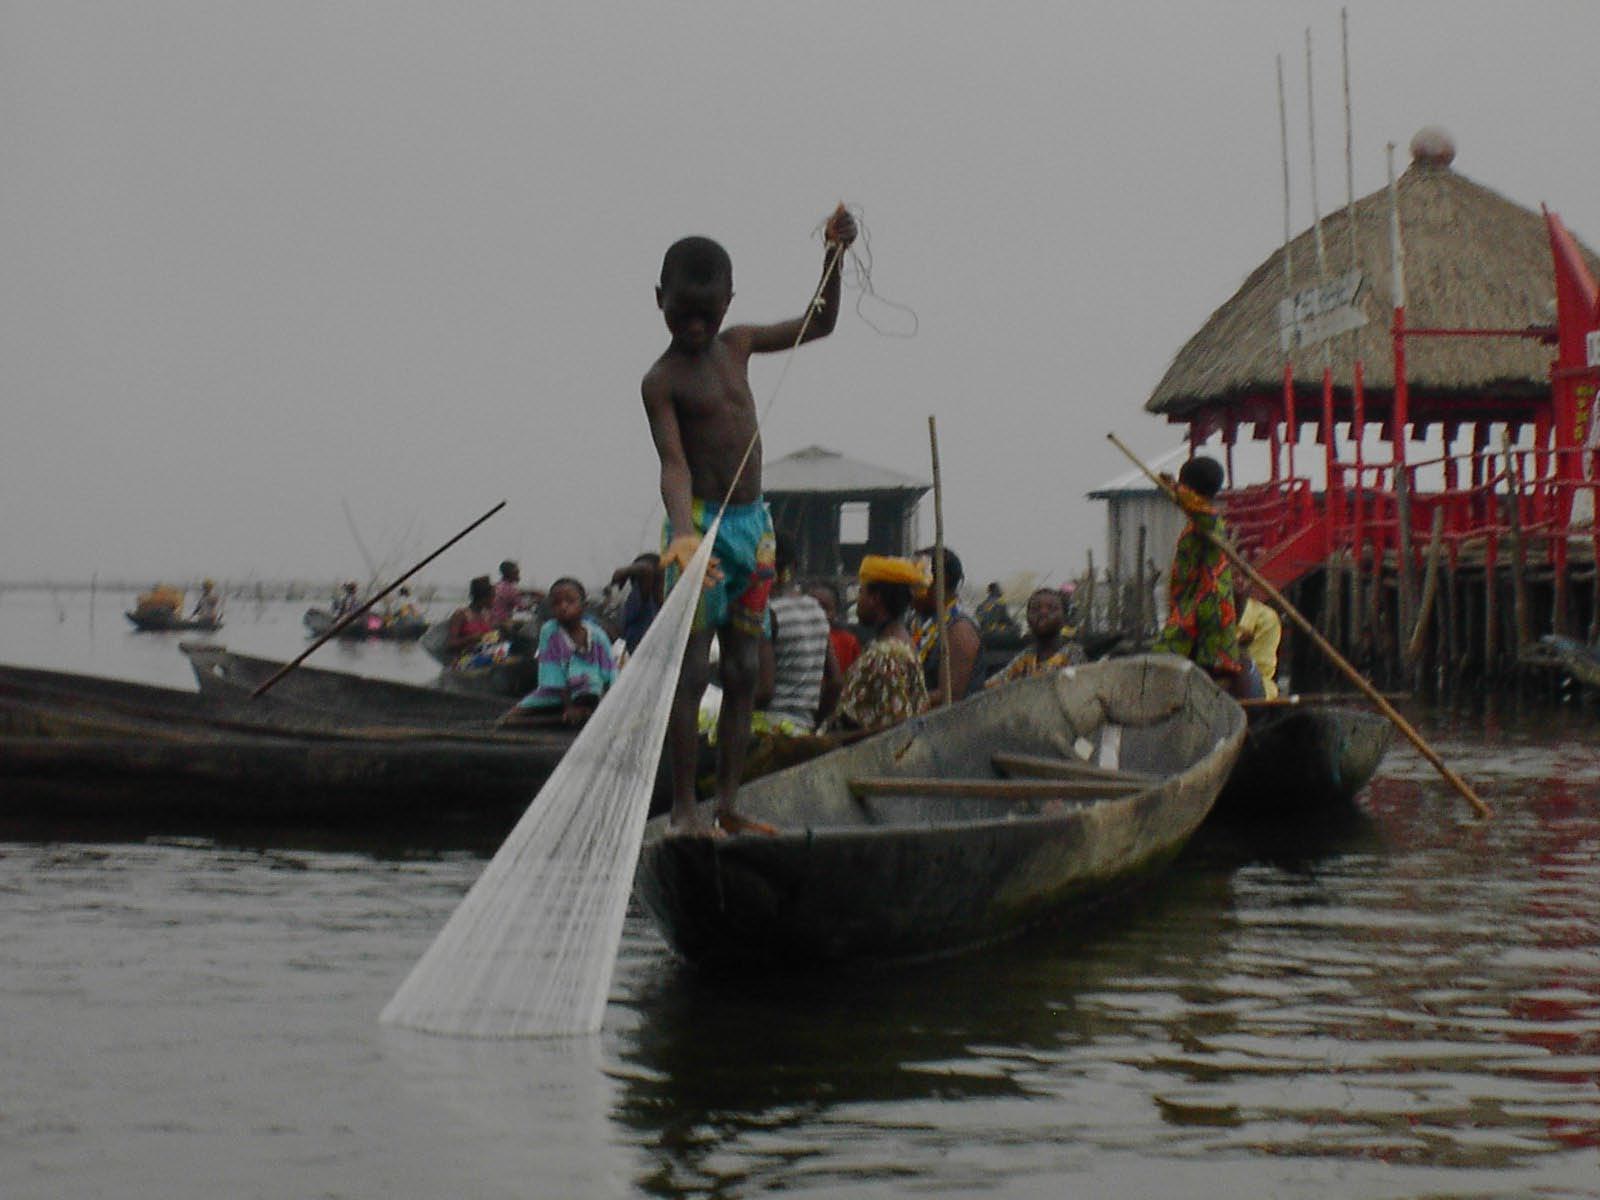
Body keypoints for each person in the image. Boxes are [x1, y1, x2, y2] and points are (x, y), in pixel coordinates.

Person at [644, 205, 856, 835]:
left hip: (752, 528)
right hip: (701, 532)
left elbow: (819, 323)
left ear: (729, 302)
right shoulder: (661, 380)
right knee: (693, 672)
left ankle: (730, 804)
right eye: (682, 312)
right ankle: (685, 809)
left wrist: (834, 257)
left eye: (707, 313)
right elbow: (674, 463)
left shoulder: (737, 345)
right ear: (659, 300)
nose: (695, 324)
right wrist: (683, 532)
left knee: (742, 671)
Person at [1151, 456, 1262, 699]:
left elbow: (1200, 511)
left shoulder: (1209, 520)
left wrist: (1177, 491)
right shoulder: (1197, 522)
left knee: (1176, 651)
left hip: (1206, 603)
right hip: (1192, 600)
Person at [821, 556, 929, 734]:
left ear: (875, 598)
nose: (858, 602)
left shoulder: (887, 654)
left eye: (861, 592)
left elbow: (894, 724)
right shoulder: (902, 642)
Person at [751, 533, 838, 735]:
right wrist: (814, 723)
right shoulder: (816, 610)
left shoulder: (768, 613)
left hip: (768, 729)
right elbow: (835, 682)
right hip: (803, 729)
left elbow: (764, 692)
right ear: (794, 566)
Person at [505, 577, 617, 726]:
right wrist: (569, 706)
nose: (563, 607)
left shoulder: (597, 634)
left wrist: (609, 702)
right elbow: (552, 672)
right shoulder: (550, 631)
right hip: (557, 692)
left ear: (583, 605)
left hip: (591, 691)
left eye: (570, 601)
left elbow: (609, 671)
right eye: (557, 603)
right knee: (510, 718)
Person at [910, 546, 983, 706]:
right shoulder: (922, 619)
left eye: (914, 581)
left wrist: (895, 707)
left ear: (938, 582)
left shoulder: (960, 629)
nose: (909, 588)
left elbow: (949, 696)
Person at [985, 587, 1086, 688]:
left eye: (1052, 608)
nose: (1043, 613)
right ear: (1027, 618)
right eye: (1035, 609)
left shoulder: (1073, 654)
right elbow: (992, 685)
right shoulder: (1026, 657)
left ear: (1064, 618)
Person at [610, 552, 663, 653]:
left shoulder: (663, 604)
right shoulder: (642, 599)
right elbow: (647, 570)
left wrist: (624, 572)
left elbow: (647, 570)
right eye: (659, 580)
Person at [1237, 583, 1282, 700]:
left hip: (1253, 687)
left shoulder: (1264, 617)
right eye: (1233, 576)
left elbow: (1262, 669)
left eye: (1243, 576)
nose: (1239, 582)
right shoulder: (1201, 611)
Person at [807, 580, 860, 676]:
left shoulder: (848, 642)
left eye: (825, 608)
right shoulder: (796, 638)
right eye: (812, 607)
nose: (818, 613)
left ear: (836, 611)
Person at [445, 575, 500, 661]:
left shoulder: (486, 615)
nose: (495, 600)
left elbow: (490, 640)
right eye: (493, 597)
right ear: (483, 598)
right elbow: (450, 645)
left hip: (485, 655)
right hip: (464, 659)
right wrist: (472, 638)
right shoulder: (461, 615)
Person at [491, 560, 534, 627]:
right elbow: (522, 607)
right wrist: (535, 602)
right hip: (501, 623)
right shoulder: (510, 589)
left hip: (493, 621)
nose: (518, 575)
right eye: (516, 573)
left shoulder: (497, 586)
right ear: (509, 574)